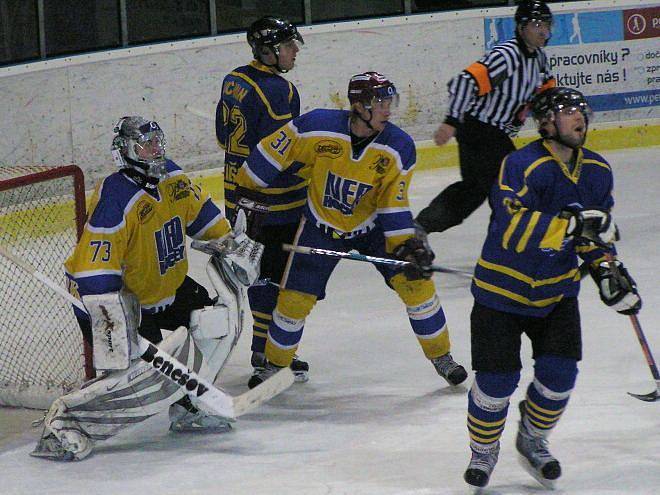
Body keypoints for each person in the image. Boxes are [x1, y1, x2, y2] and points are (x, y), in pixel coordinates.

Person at [31, 116, 263, 461]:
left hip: (162, 286)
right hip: (112, 297)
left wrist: (228, 241)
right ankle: (65, 424)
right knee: (143, 377)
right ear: (126, 152)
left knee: (214, 322)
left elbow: (202, 217)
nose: (154, 151)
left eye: (157, 143)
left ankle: (189, 405)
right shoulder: (116, 196)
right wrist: (114, 318)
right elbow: (95, 268)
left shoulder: (172, 177)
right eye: (145, 146)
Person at [234, 71, 468, 388]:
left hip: (372, 229)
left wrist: (405, 244)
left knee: (417, 287)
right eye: (380, 102)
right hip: (320, 226)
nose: (388, 109)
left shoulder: (399, 147)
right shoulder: (316, 126)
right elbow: (270, 153)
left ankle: (442, 357)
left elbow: (392, 203)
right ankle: (274, 366)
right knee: (293, 302)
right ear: (359, 105)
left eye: (390, 101)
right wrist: (249, 190)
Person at [462, 87, 642, 489]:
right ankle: (484, 449)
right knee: (497, 383)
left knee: (559, 377)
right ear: (545, 123)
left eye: (582, 110)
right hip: (500, 294)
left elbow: (595, 235)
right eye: (568, 111)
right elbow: (512, 227)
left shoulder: (597, 169)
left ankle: (533, 436)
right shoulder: (521, 165)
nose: (581, 117)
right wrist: (575, 225)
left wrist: (607, 270)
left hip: (556, 294)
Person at [215, 16, 309, 387]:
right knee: (279, 275)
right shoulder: (279, 92)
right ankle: (268, 352)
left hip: (237, 195)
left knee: (259, 273)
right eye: (288, 46)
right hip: (275, 201)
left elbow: (225, 138)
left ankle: (263, 350)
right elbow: (283, 154)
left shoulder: (234, 79)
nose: (295, 51)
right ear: (267, 51)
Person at [416, 0, 556, 234]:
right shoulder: (507, 55)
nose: (544, 31)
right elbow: (465, 81)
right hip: (479, 129)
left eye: (547, 24)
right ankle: (507, 236)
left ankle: (421, 227)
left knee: (479, 189)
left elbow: (546, 90)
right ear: (521, 28)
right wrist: (451, 121)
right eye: (537, 24)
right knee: (507, 183)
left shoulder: (539, 58)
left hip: (493, 133)